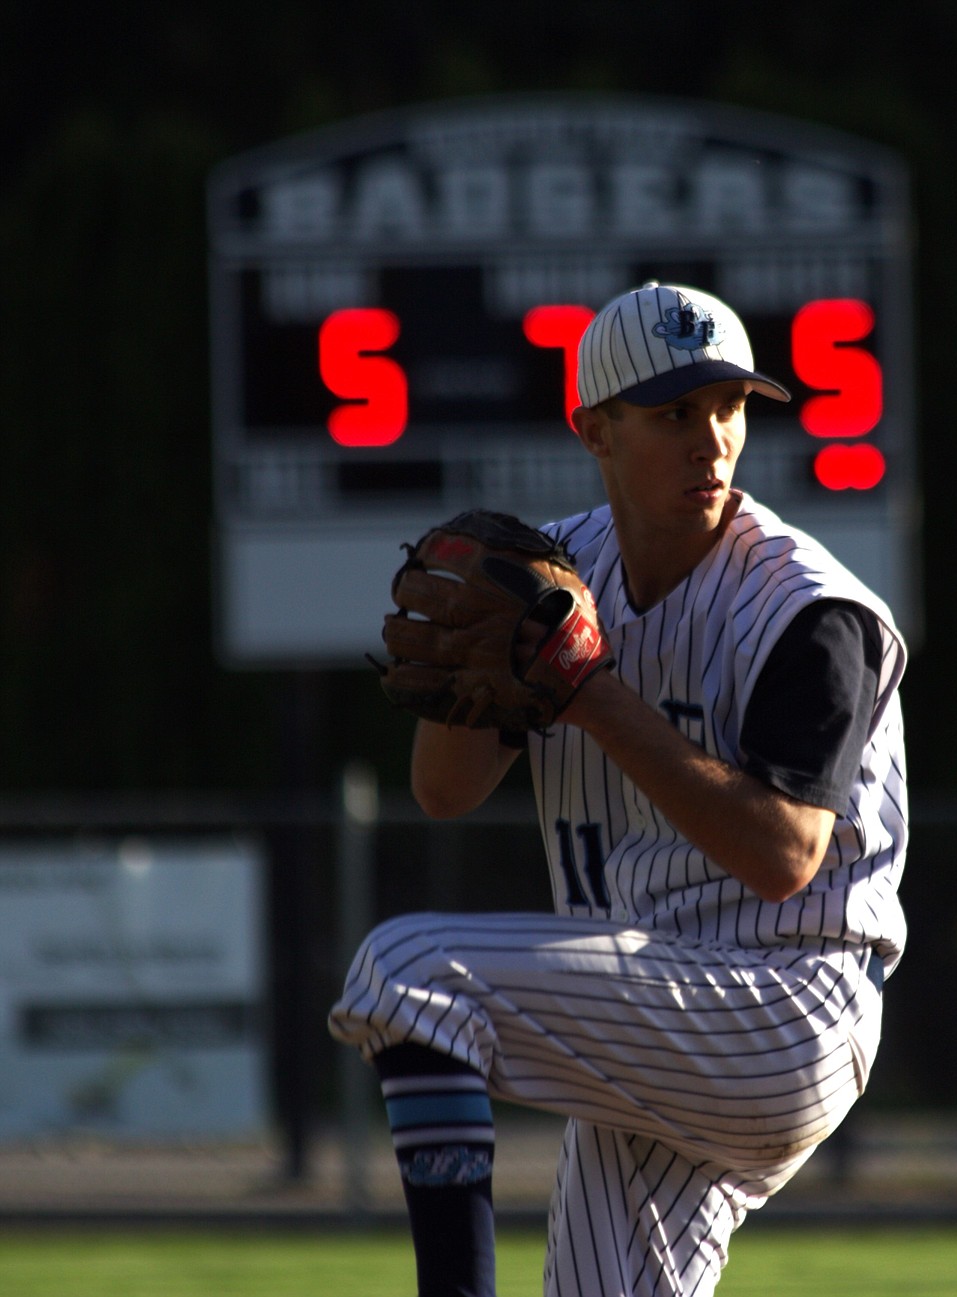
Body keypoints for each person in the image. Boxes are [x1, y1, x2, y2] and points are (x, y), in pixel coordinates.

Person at [329, 282, 909, 1296]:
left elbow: (782, 855)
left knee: (408, 971)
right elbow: (443, 792)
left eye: (729, 406)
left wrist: (588, 694)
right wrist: (474, 677)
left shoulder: (810, 610)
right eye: (675, 412)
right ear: (595, 430)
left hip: (787, 1003)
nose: (712, 438)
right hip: (654, 1013)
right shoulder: (555, 581)